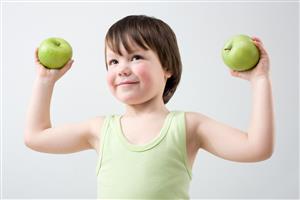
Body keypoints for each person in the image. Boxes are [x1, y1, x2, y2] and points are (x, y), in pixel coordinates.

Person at [24, 15, 275, 199]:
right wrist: (45, 81)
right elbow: (36, 137)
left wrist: (260, 80)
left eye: (136, 57)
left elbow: (257, 148)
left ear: (168, 68)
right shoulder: (100, 129)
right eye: (113, 60)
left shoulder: (188, 126)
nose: (122, 68)